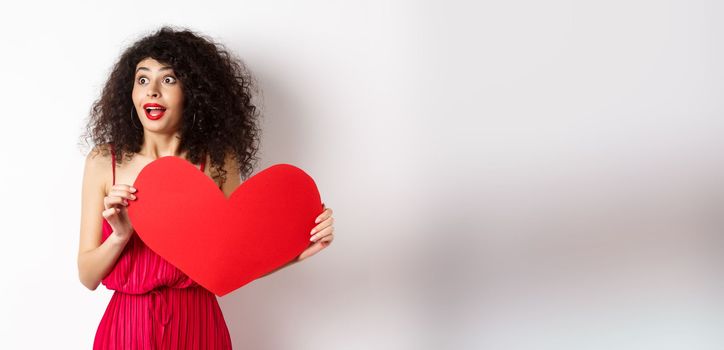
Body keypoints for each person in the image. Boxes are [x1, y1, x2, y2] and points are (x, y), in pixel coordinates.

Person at [77, 26, 335, 349]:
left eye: (168, 79)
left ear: (193, 90)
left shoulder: (216, 161)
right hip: (128, 329)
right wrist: (119, 235)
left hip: (198, 326)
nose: (152, 91)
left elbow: (235, 261)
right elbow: (87, 276)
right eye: (142, 79)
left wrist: (299, 249)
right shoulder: (104, 162)